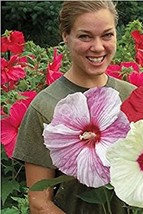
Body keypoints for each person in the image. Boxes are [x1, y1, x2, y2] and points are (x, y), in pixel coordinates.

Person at [13, 1, 136, 213]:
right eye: (85, 36)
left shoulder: (132, 96)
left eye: (107, 35)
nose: (98, 47)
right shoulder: (45, 106)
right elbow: (39, 203)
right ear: (65, 36)